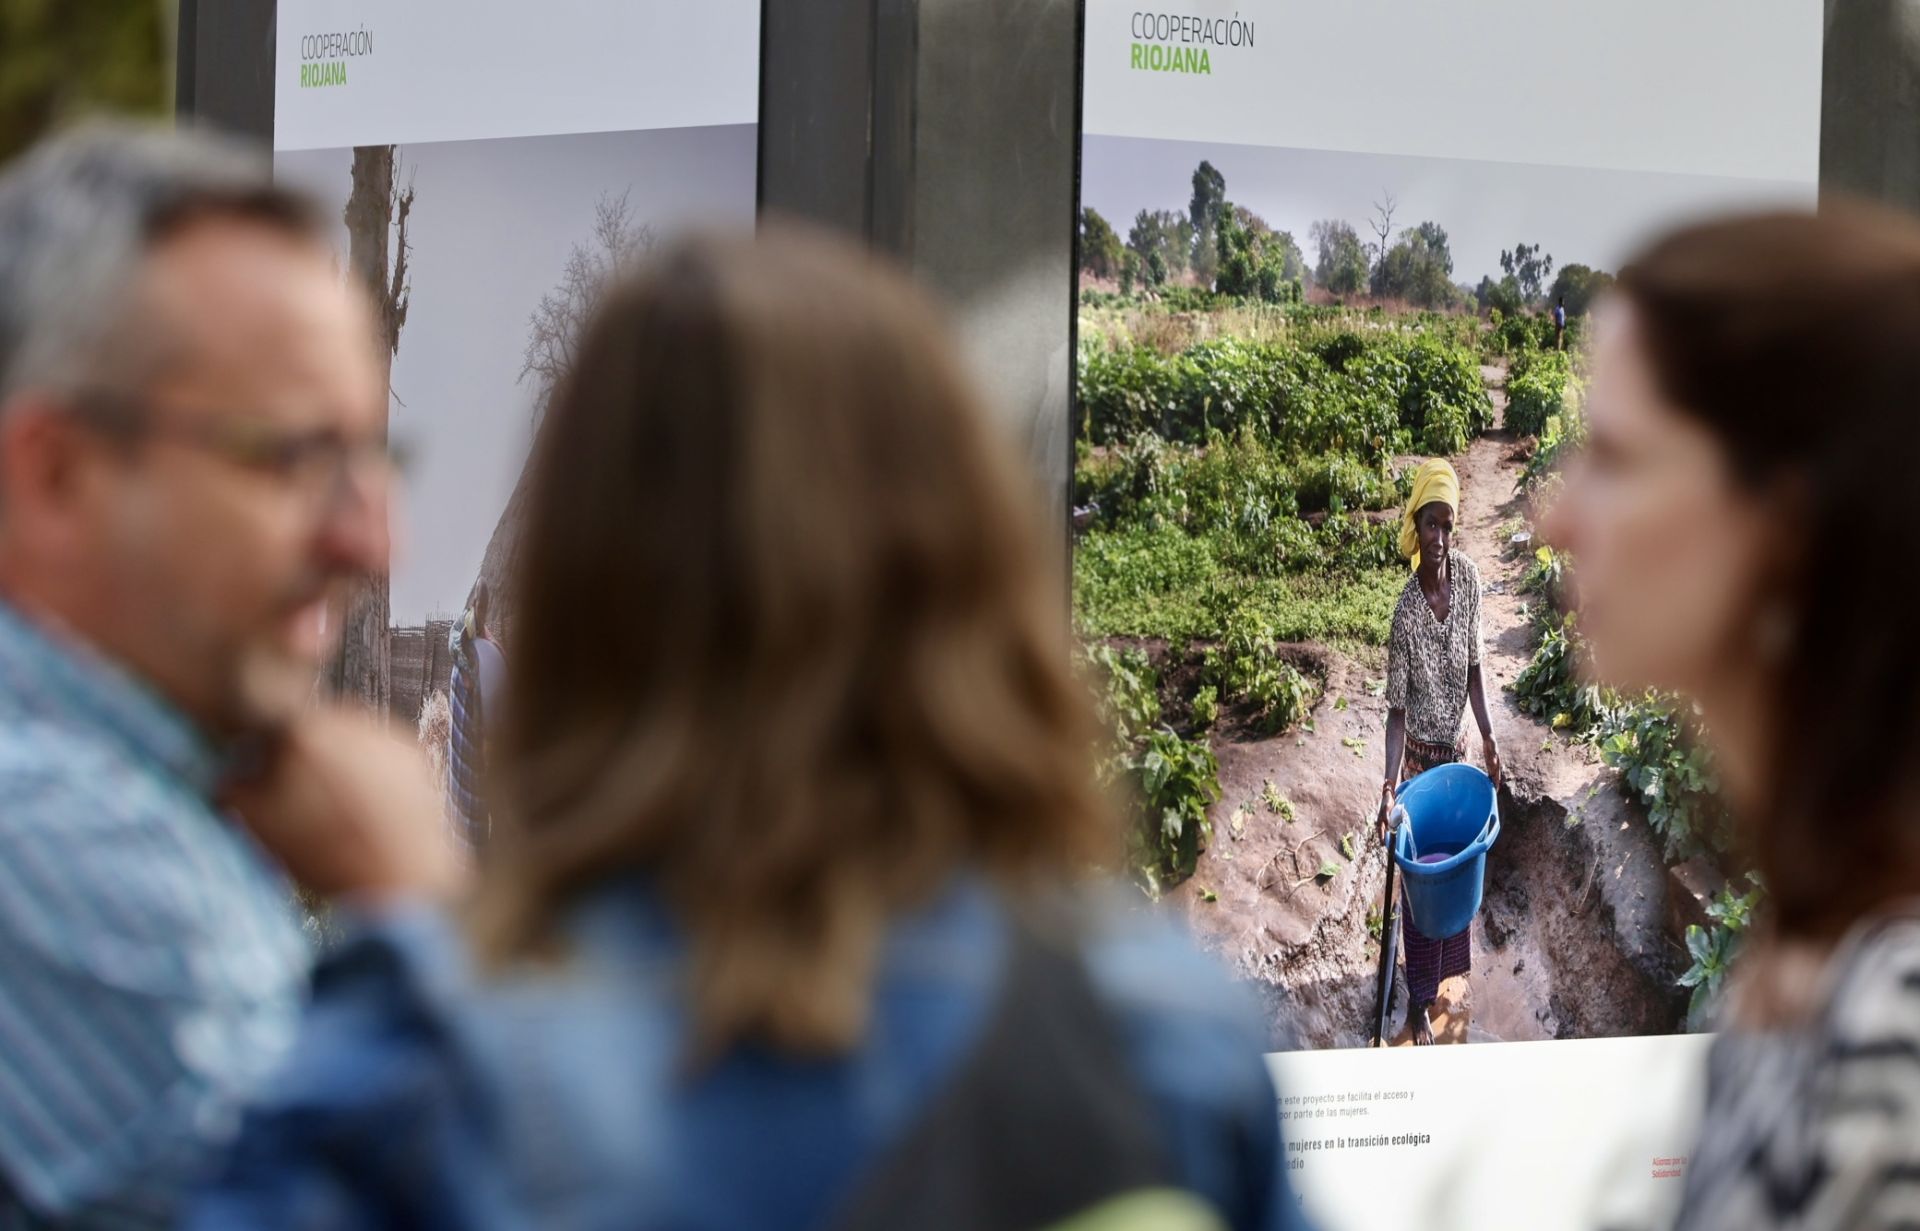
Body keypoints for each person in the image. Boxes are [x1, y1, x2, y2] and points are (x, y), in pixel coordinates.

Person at [191, 228, 1307, 1231]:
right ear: (963, 583)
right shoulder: (1157, 1046)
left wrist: (412, 905)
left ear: (586, 593)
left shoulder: (418, 1085)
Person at [0, 124, 456, 1226]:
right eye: (291, 457)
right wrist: (416, 907)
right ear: (58, 474)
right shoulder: (63, 839)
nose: (371, 541)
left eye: (370, 458)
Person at [1540, 207, 1920, 1231]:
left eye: (1614, 456)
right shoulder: (1818, 964)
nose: (1553, 516)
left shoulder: (1890, 1049)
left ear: (1784, 527)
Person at [1376, 458, 1502, 1046]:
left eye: (1449, 525)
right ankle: (1419, 1002)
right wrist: (1387, 785)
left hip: (1456, 755)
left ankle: (1448, 983)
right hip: (1419, 764)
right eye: (1431, 524)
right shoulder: (1404, 615)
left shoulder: (1471, 582)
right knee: (1421, 886)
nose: (1441, 538)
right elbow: (1396, 711)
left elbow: (1476, 669)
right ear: (1416, 526)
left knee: (1456, 877)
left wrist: (1489, 734)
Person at [447, 581, 506, 850]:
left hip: (473, 751)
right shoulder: (495, 654)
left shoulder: (461, 663)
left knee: (466, 818)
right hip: (491, 748)